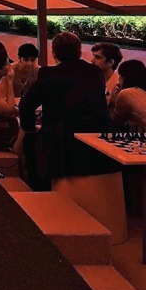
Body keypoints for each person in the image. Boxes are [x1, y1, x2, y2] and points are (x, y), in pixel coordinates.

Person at [19, 32, 115, 191]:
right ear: (79, 52)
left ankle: (41, 192)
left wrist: (30, 129)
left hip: (63, 143)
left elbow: (26, 106)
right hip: (97, 140)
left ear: (54, 53)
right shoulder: (95, 72)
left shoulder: (49, 74)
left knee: (29, 141)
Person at [90, 42, 123, 108]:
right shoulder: (90, 79)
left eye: (97, 57)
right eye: (93, 56)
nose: (92, 60)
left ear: (110, 62)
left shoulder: (119, 86)